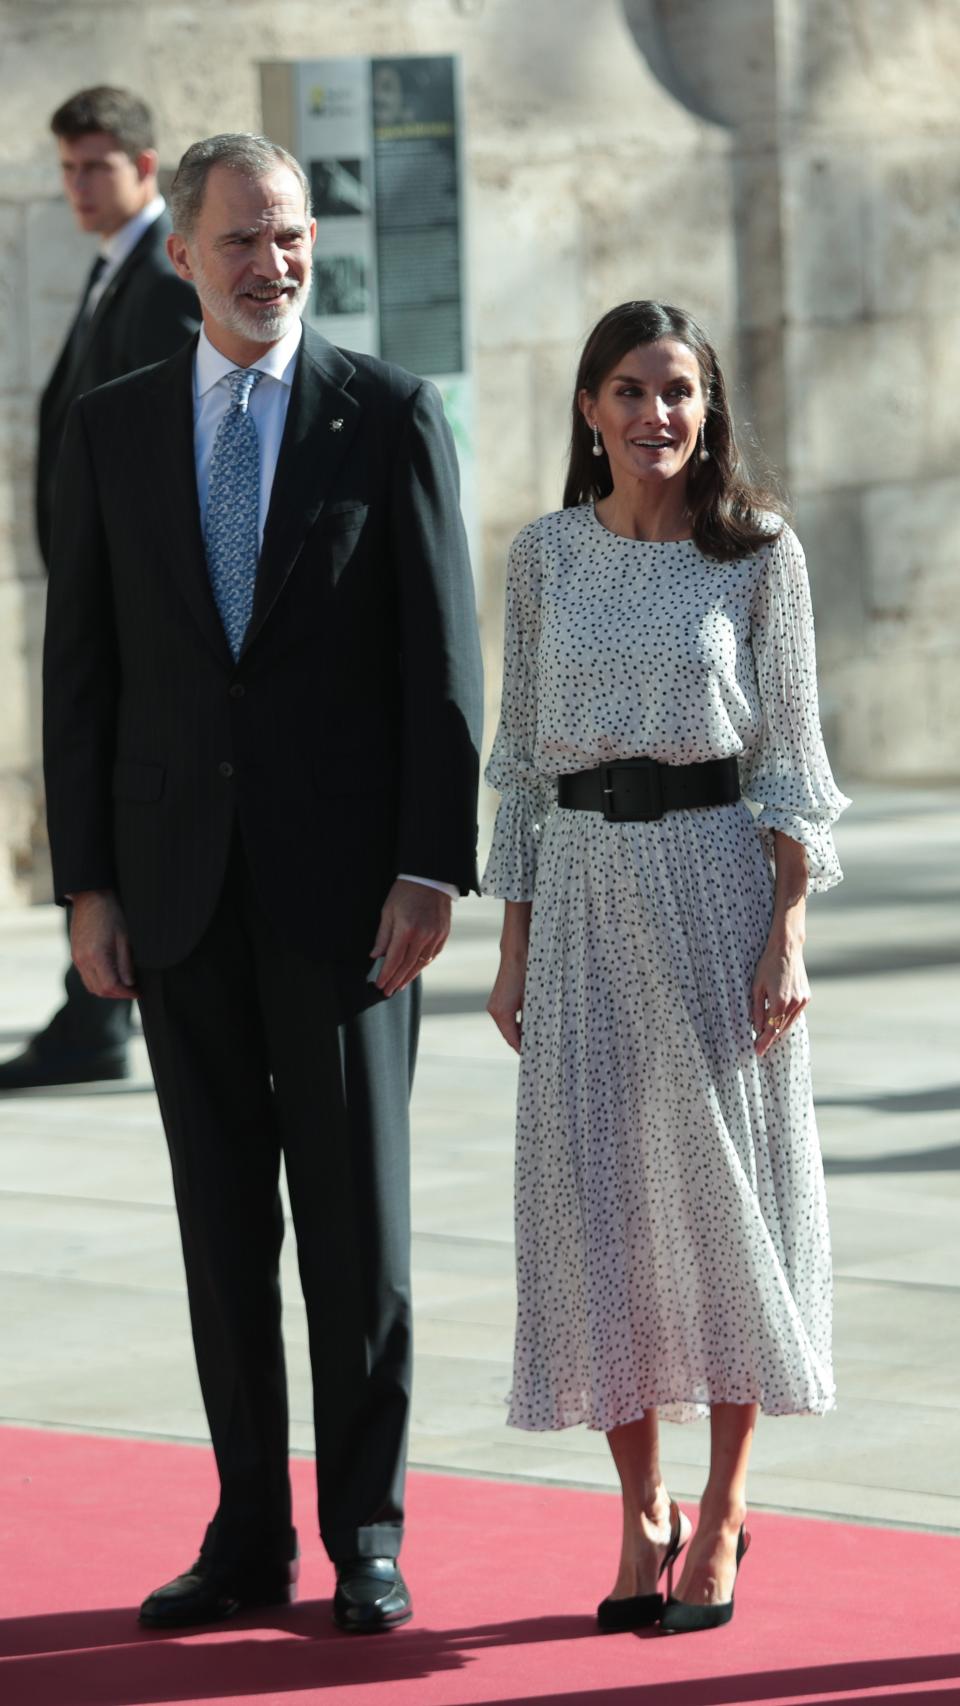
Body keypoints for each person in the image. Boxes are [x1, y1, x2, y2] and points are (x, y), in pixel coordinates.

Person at [43, 132, 482, 1634]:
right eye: (240, 240)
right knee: (222, 1231)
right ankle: (246, 1531)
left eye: (291, 236)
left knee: (355, 1231)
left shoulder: (389, 413)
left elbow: (442, 661)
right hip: (174, 894)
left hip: (351, 897)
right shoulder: (112, 426)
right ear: (183, 256)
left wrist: (434, 862)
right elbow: (82, 672)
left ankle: (365, 1528)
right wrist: (86, 885)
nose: (272, 263)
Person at [484, 300, 849, 1636]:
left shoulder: (754, 552)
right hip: (578, 897)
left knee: (727, 1205)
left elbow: (796, 762)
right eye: (630, 391)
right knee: (600, 1204)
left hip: (712, 888)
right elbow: (519, 766)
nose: (657, 417)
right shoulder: (546, 557)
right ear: (589, 408)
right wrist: (512, 946)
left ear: (709, 408)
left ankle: (729, 1500)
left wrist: (789, 931)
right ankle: (642, 1511)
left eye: (679, 392)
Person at [0, 86, 199, 1092]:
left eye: (95, 166)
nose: (79, 186)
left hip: (127, 598)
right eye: (68, 168)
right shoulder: (111, 273)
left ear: (143, 164)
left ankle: (97, 1010)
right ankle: (93, 1003)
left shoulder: (163, 284)